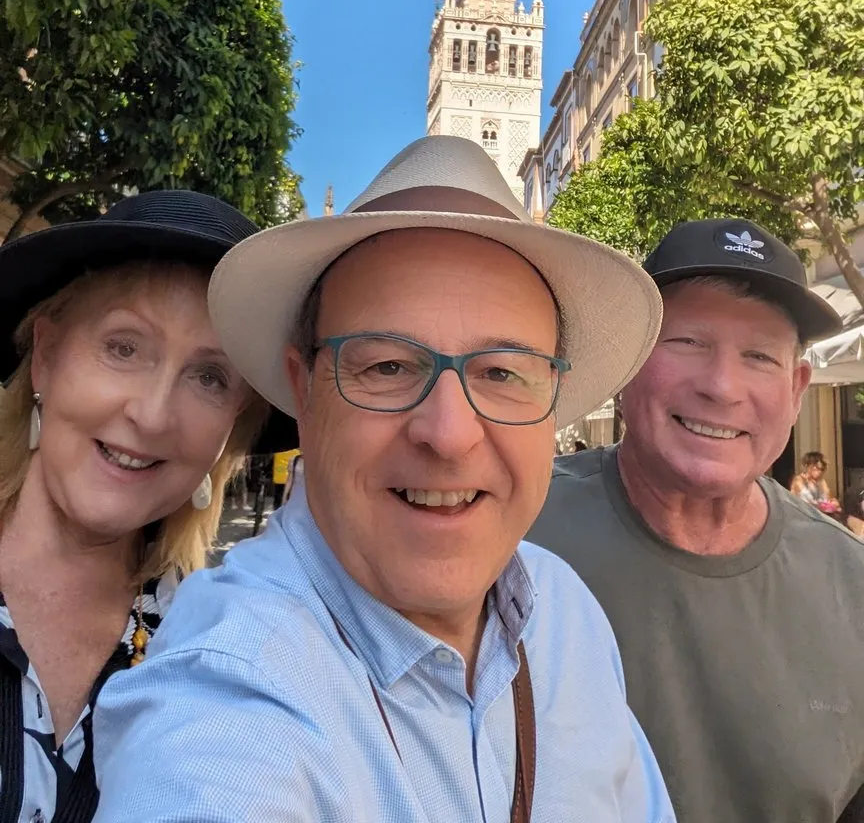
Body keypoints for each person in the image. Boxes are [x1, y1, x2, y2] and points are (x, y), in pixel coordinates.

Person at [92, 135, 676, 822]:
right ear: (302, 390)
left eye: (502, 373)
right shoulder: (231, 689)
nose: (450, 432)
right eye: (388, 367)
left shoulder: (566, 615)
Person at [528, 217, 864, 823]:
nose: (721, 386)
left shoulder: (852, 584)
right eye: (687, 342)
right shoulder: (512, 534)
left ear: (796, 390)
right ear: (626, 365)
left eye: (759, 356)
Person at [0, 190, 269, 823]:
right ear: (45, 357)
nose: (151, 415)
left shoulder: (216, 656)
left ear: (233, 425)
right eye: (124, 347)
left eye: (209, 378)